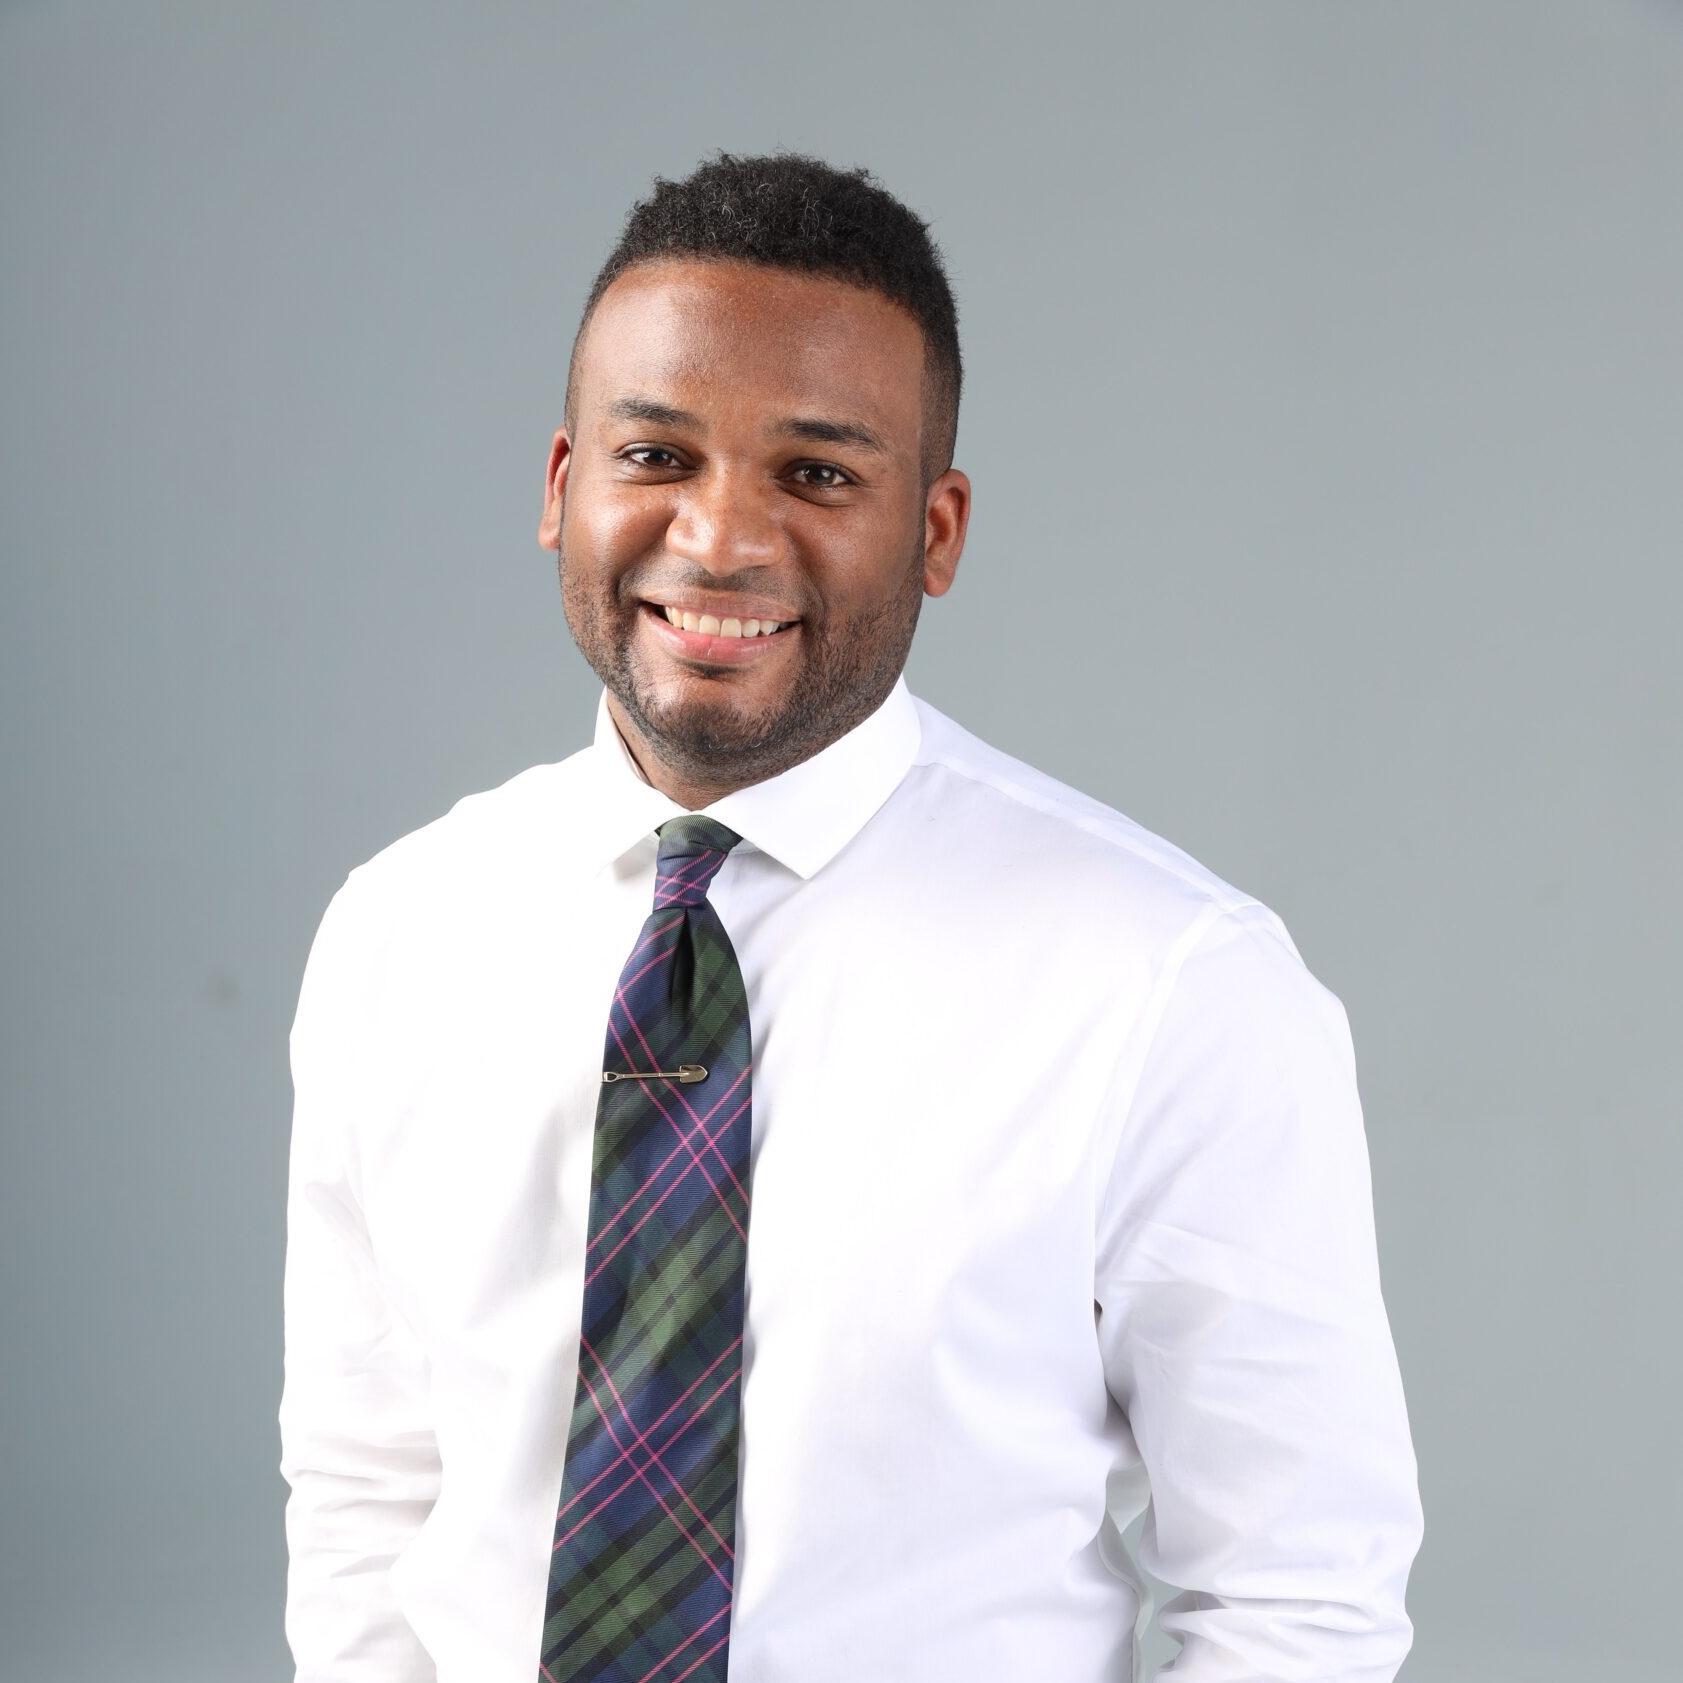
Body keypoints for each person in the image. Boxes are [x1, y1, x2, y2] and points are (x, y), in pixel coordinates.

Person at [279, 150, 1424, 1683]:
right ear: (562, 487)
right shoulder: (398, 934)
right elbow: (370, 1502)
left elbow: (1296, 1593)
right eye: (656, 454)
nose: (720, 538)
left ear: (937, 532)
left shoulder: (1172, 984)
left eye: (817, 475)